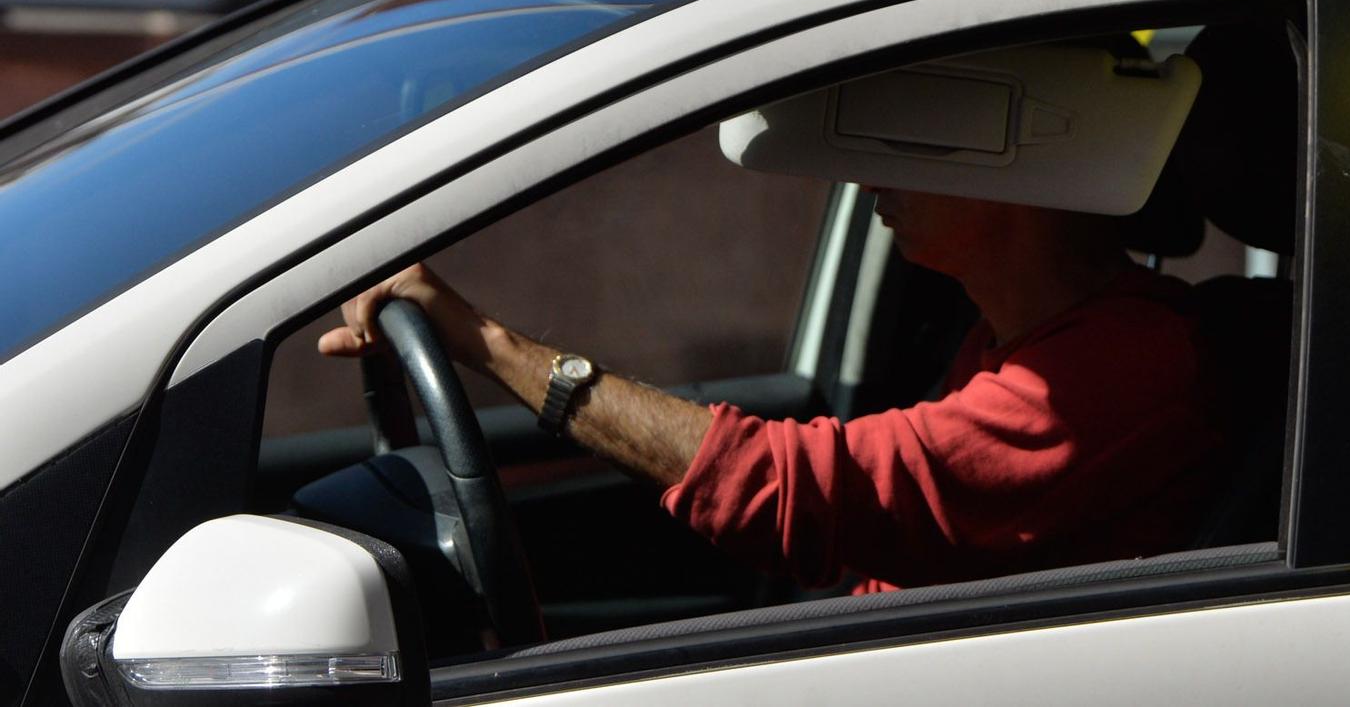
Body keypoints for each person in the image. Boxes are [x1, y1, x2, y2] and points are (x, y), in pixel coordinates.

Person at [320, 185, 1230, 595]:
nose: (874, 164)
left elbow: (813, 492)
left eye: (916, 127)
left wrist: (490, 345)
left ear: (1021, 166)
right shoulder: (1018, 339)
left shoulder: (1122, 366)